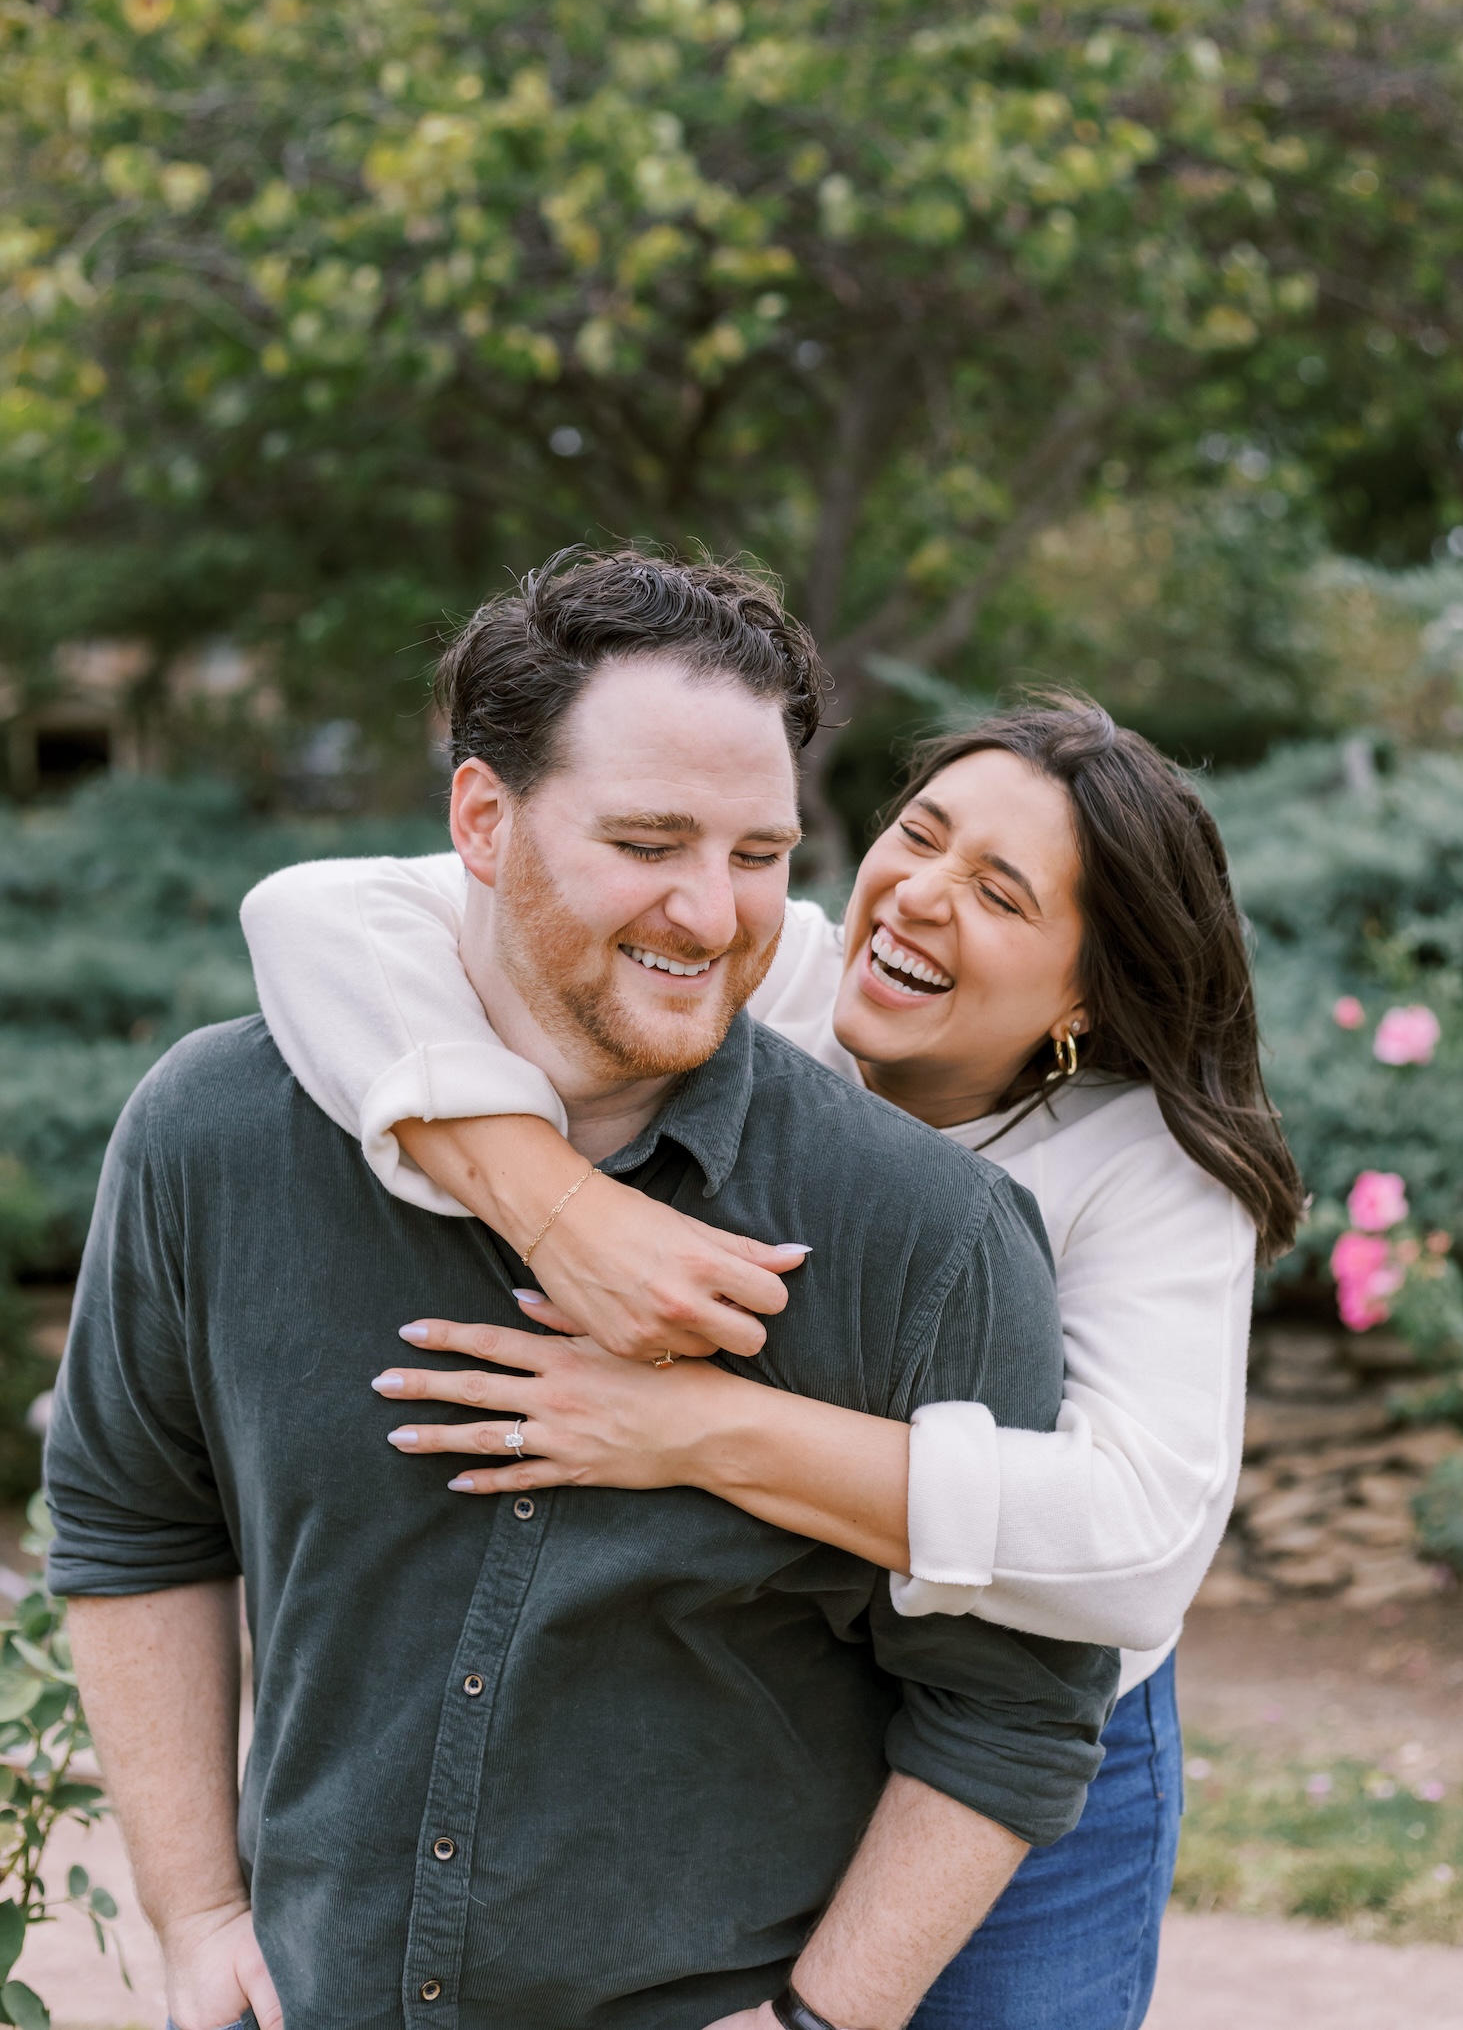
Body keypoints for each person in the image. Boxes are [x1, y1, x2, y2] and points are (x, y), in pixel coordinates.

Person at [45, 552, 1116, 2030]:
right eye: (650, 839)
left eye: (757, 853)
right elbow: (131, 1517)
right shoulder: (211, 1137)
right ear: (482, 819)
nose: (715, 910)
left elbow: (1013, 1701)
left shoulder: (924, 1234)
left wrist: (820, 2021)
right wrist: (197, 1910)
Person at [241, 682, 1304, 2030]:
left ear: (1089, 991)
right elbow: (316, 913)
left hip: (1025, 1759)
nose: (918, 895)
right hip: (775, 1688)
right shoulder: (776, 973)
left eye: (1000, 892)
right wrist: (556, 1207)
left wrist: (690, 1428)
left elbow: (1135, 1543)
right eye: (917, 835)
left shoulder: (1150, 1167)